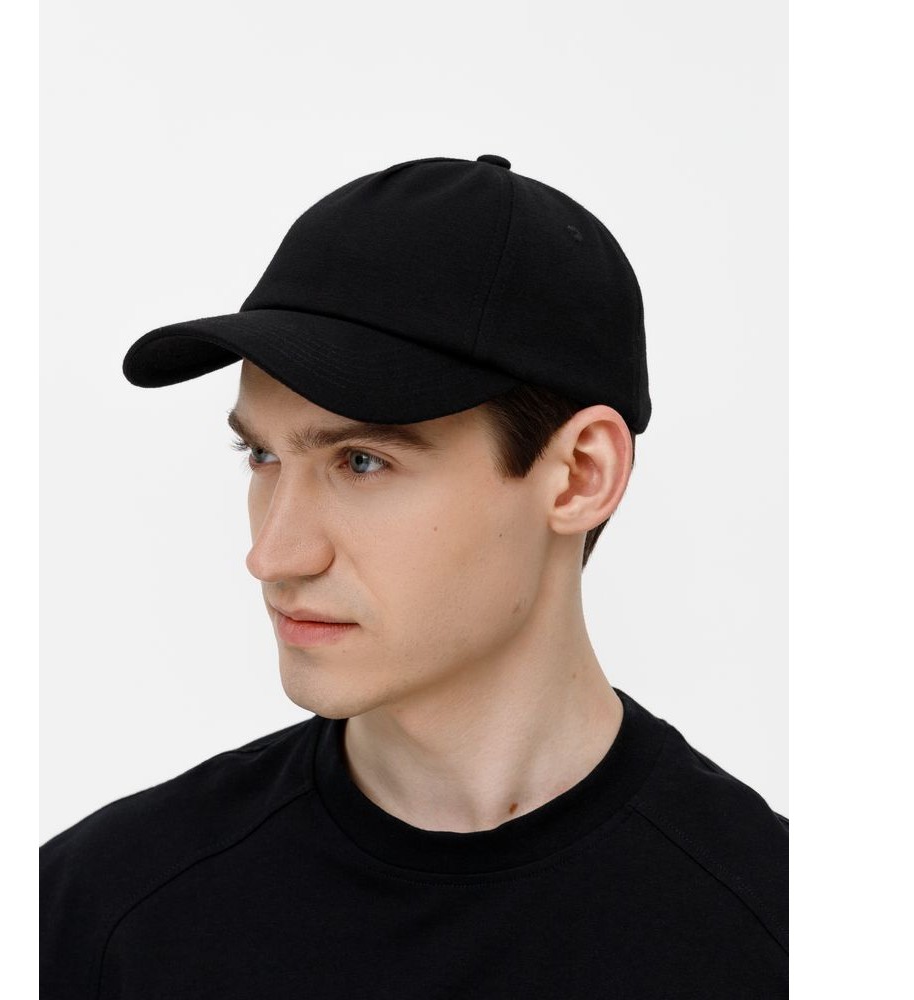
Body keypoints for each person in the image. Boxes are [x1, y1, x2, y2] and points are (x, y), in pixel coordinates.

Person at [40, 153, 788, 998]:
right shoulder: (96, 919)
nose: (273, 555)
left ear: (581, 474)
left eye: (362, 461)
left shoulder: (776, 941)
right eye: (261, 455)